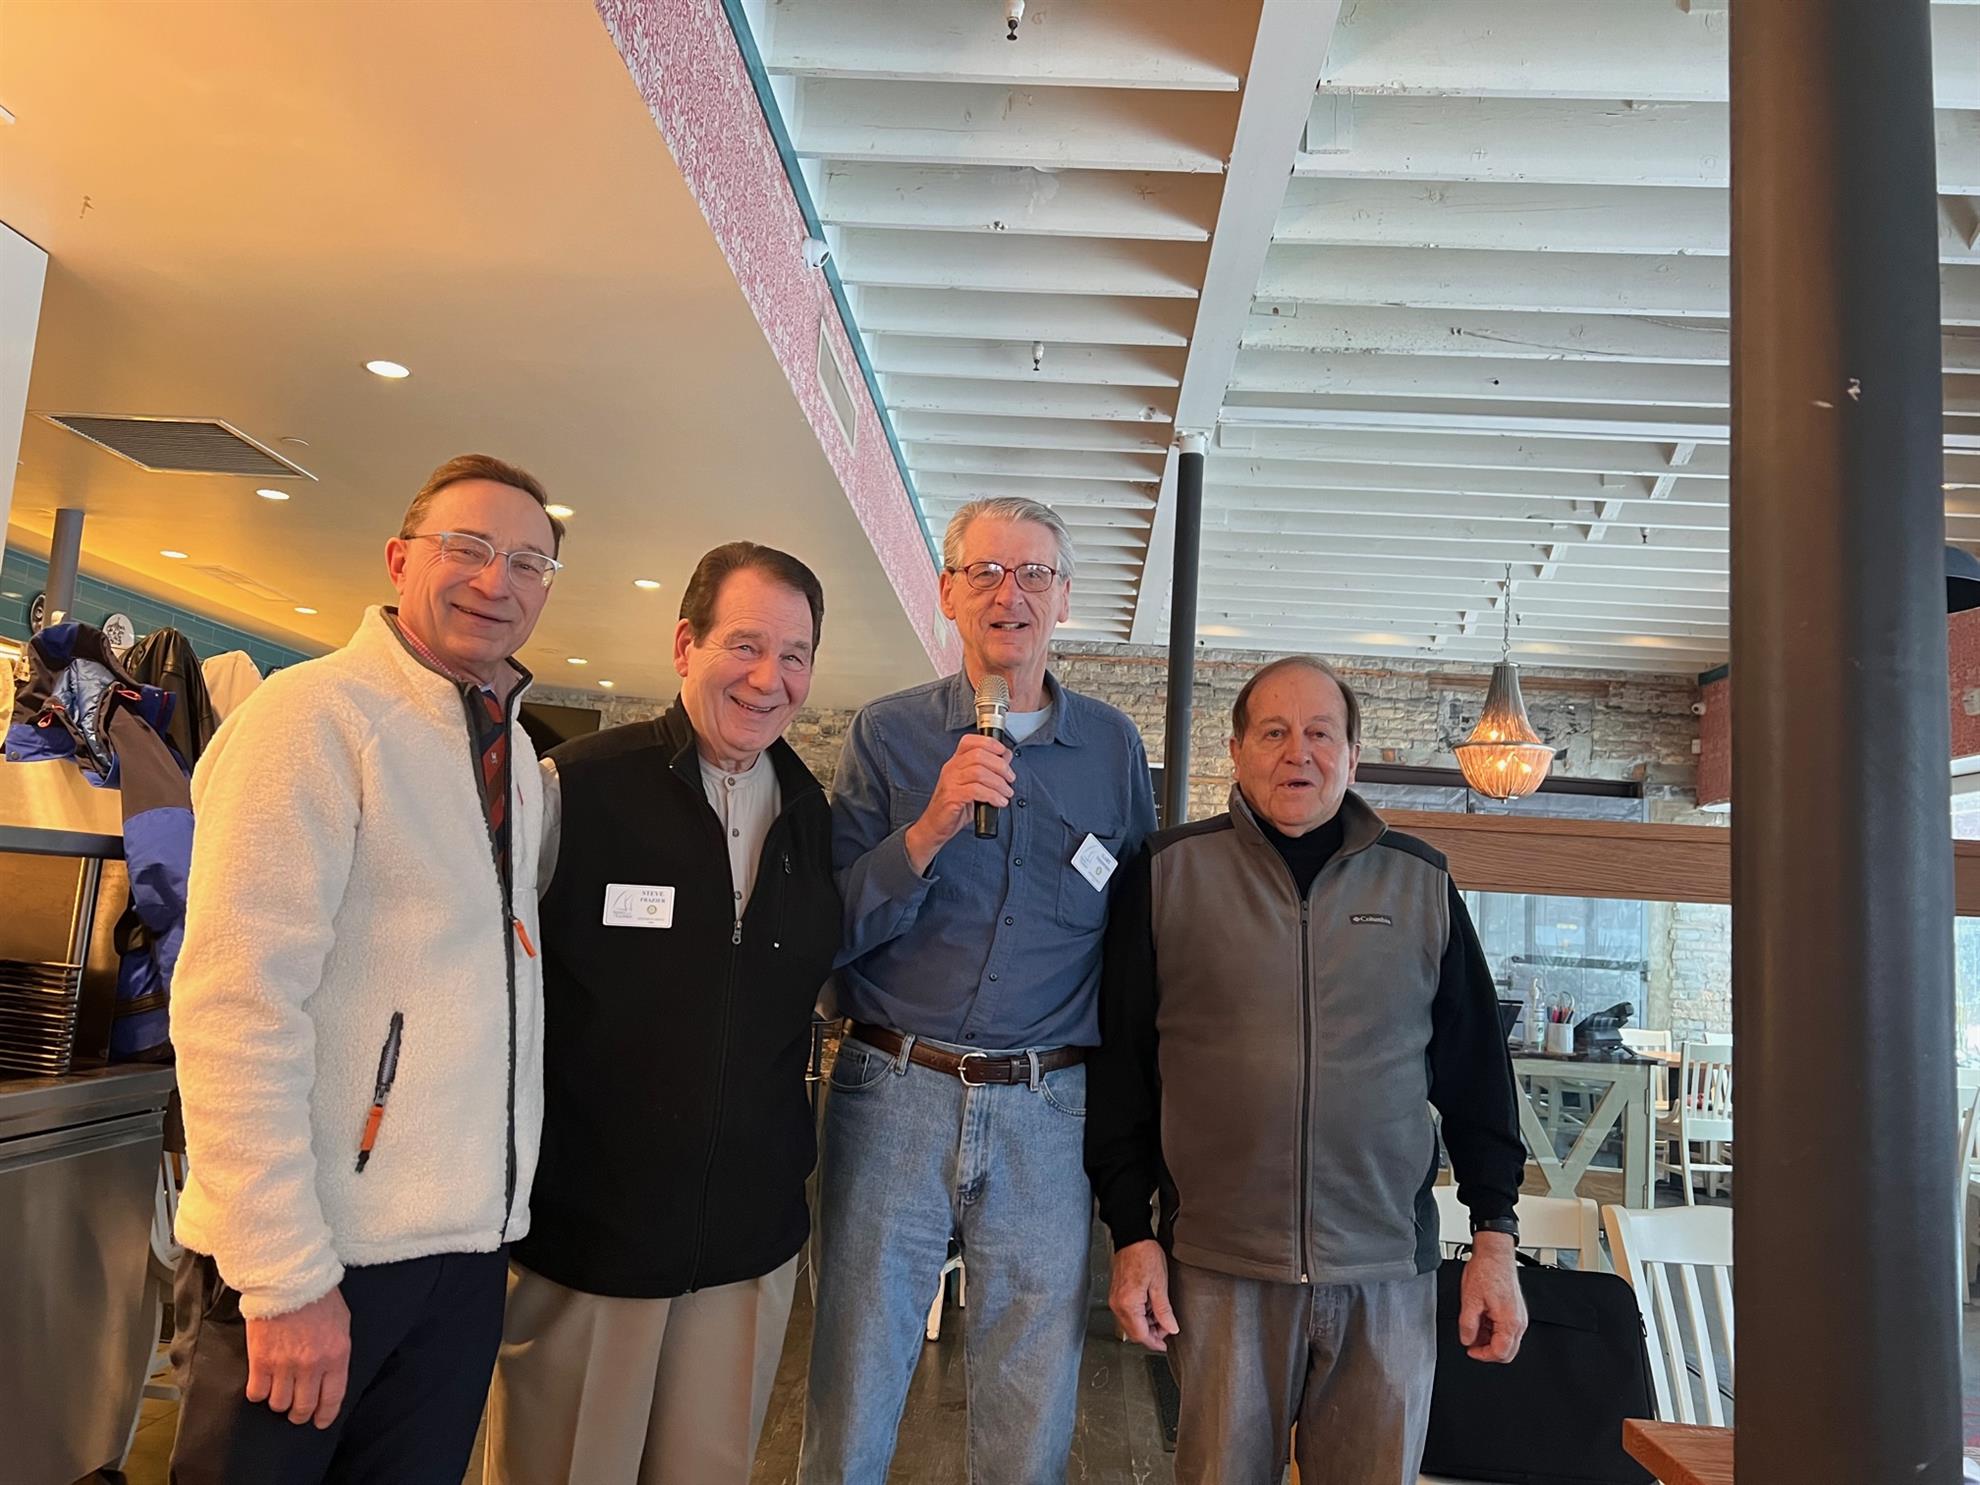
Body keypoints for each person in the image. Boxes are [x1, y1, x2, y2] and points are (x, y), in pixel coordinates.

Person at [167, 454, 564, 1485]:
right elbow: (235, 1004)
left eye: (529, 562)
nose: (498, 580)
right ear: (399, 559)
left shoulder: (511, 753)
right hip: (316, 1255)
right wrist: (282, 1272)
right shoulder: (312, 719)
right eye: (469, 547)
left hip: (460, 1253)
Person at [1086, 655, 1530, 1485]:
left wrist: (1495, 1239)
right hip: (1220, 1269)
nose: (1299, 752)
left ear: (1352, 756)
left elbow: (1478, 1079)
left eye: (1321, 733)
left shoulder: (1422, 884)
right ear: (1237, 751)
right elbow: (1121, 1075)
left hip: (1384, 1275)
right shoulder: (1167, 873)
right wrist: (1131, 1234)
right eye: (1275, 732)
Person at [801, 496, 1158, 1484]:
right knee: (853, 1385)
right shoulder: (888, 735)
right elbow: (833, 930)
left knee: (1031, 1402)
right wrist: (928, 829)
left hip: (1050, 1109)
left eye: (1035, 573)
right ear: (948, 592)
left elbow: (1136, 937)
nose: (1011, 594)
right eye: (986, 572)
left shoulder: (1113, 750)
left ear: (1064, 598)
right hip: (892, 1090)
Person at [485, 543, 840, 1484]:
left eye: (795, 655)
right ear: (685, 644)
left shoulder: (812, 820)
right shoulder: (577, 787)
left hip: (746, 1248)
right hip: (590, 1242)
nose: (769, 678)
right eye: (745, 644)